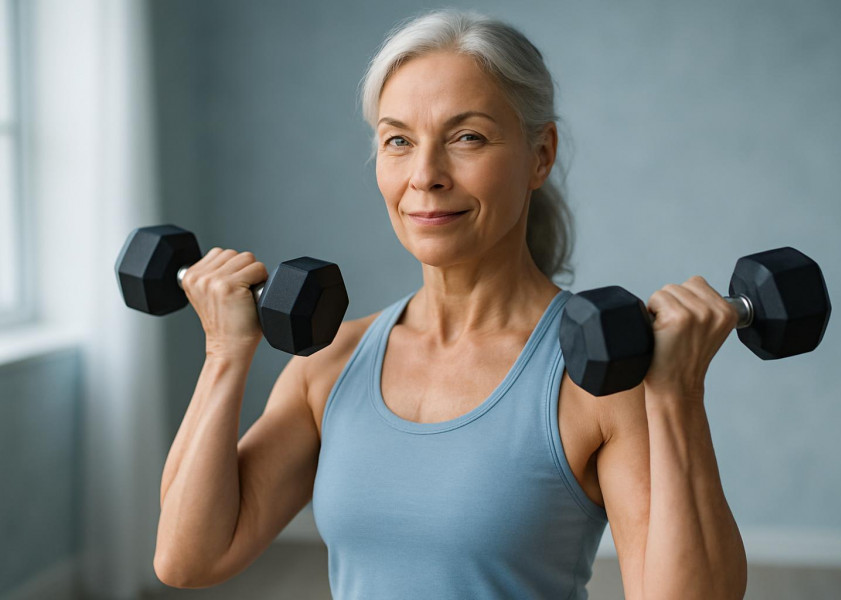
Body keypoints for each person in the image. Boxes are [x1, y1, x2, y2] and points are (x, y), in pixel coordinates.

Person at [153, 9, 748, 599]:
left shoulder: (597, 379)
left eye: (467, 138)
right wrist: (225, 351)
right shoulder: (330, 365)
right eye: (398, 141)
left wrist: (677, 397)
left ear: (540, 154)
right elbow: (189, 558)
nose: (426, 175)